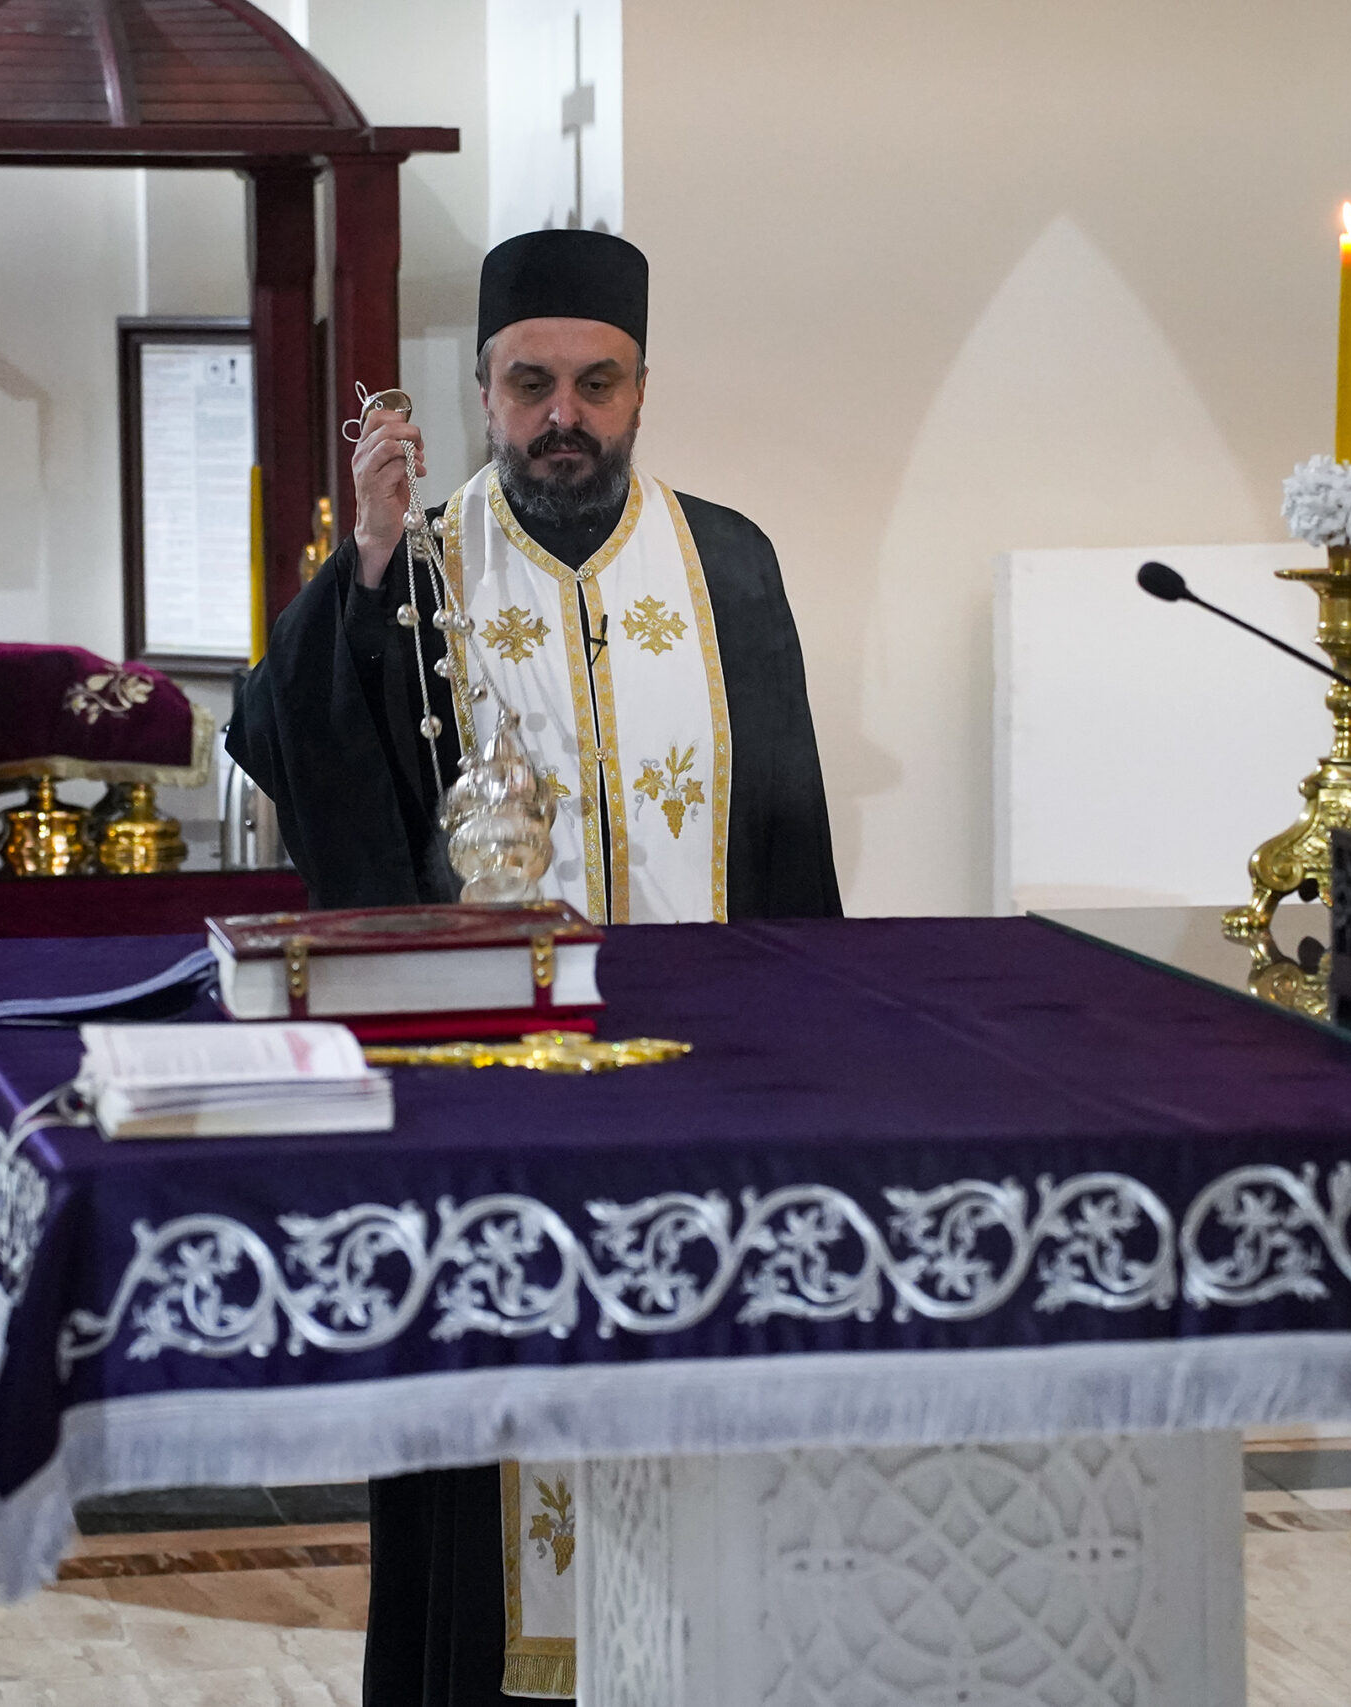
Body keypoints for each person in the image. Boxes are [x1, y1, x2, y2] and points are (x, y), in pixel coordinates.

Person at [228, 230, 840, 1704]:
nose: (564, 415)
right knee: (489, 1517)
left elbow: (792, 839)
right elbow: (287, 742)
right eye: (530, 384)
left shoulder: (730, 563)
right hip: (495, 1113)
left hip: (705, 1101)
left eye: (596, 383)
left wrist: (815, 1063)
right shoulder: (421, 564)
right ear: (482, 388)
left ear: (642, 387)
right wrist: (365, 563)